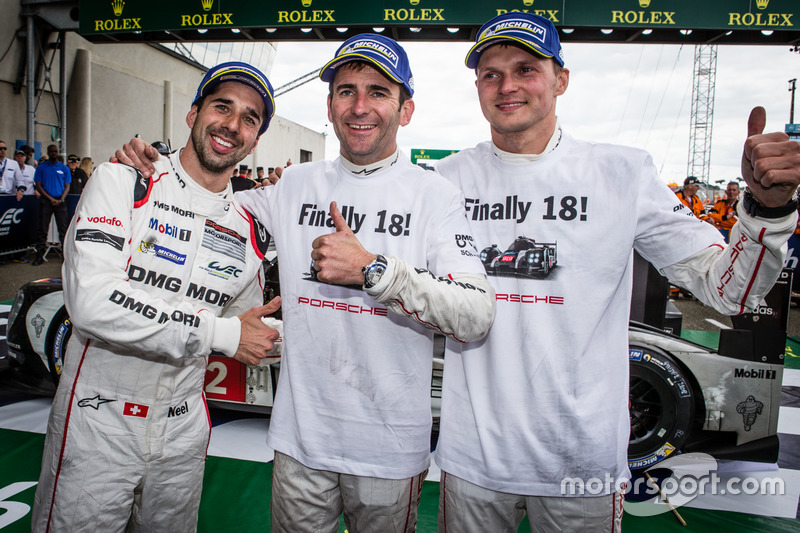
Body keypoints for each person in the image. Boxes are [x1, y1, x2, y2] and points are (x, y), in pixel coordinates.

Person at [433, 12, 800, 532]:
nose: (507, 85)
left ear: (561, 80)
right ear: (477, 87)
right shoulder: (446, 179)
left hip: (582, 463)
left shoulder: (621, 172)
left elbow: (727, 289)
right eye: (491, 74)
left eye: (525, 68)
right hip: (474, 460)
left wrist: (766, 209)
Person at [118, 33, 495, 532]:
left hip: (388, 450)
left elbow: (476, 314)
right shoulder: (294, 185)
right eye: (346, 91)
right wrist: (148, 170)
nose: (360, 106)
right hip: (300, 442)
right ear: (330, 105)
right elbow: (205, 207)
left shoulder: (435, 195)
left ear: (405, 110)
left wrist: (375, 272)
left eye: (378, 92)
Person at [32, 61, 283, 532]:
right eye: (222, 106)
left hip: (185, 429)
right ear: (193, 115)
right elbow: (92, 304)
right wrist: (221, 332)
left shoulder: (247, 228)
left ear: (256, 139)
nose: (232, 124)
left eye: (249, 118)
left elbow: (245, 326)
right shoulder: (124, 180)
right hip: (97, 420)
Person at [32, 144, 71, 265]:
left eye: (55, 151)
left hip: (60, 201)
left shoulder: (64, 168)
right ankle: (39, 256)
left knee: (63, 230)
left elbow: (67, 186)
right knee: (43, 229)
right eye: (51, 151)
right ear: (48, 152)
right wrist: (49, 198)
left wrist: (61, 199)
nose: (53, 153)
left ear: (57, 152)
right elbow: (38, 185)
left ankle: (65, 258)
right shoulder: (41, 167)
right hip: (46, 201)